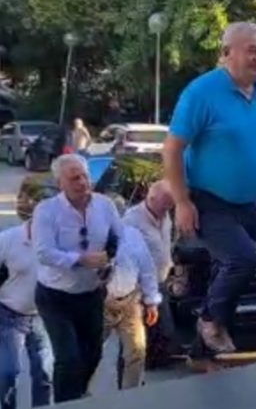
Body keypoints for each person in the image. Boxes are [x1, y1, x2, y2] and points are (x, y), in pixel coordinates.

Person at [163, 21, 256, 355]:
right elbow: (172, 149)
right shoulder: (202, 92)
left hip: (247, 203)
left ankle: (203, 353)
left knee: (225, 274)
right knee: (245, 261)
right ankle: (210, 319)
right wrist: (182, 201)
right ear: (227, 53)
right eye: (251, 51)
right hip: (208, 200)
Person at [32, 154, 123, 403]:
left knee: (93, 354)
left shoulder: (105, 205)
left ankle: (76, 396)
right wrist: (80, 259)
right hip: (55, 296)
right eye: (74, 178)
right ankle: (65, 402)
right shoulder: (46, 210)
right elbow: (43, 252)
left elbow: (118, 237)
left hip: (91, 293)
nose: (82, 182)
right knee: (68, 358)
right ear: (59, 183)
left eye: (84, 176)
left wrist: (110, 261)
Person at [0, 177, 54, 409]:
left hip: (44, 317)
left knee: (44, 372)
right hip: (10, 316)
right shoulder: (8, 240)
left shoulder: (58, 243)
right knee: (8, 373)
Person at [100, 194, 161, 390]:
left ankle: (131, 396)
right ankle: (81, 396)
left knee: (136, 351)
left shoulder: (132, 235)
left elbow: (146, 268)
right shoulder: (89, 236)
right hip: (100, 303)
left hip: (129, 302)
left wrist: (151, 301)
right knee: (90, 353)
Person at [123, 180, 175, 366]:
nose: (166, 210)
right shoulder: (132, 221)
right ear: (151, 199)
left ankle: (154, 361)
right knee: (139, 332)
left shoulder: (165, 216)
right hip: (138, 285)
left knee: (162, 328)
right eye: (164, 205)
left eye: (169, 206)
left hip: (161, 279)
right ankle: (134, 367)